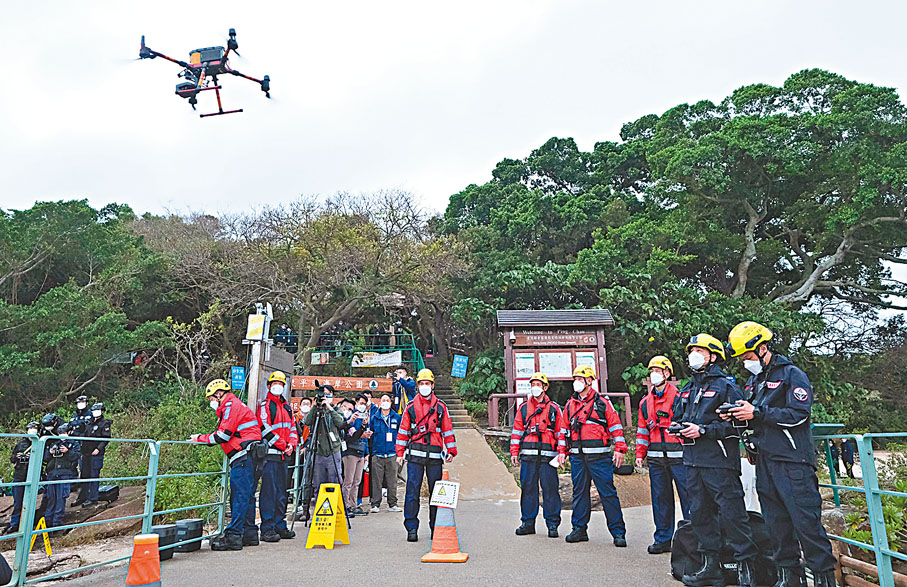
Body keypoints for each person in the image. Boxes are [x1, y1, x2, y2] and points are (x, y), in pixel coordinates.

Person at [725, 321, 837, 587]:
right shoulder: (754, 382)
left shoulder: (791, 375)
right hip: (765, 461)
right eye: (741, 357)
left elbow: (799, 415)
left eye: (747, 355)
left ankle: (824, 579)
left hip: (793, 462)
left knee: (806, 524)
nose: (744, 361)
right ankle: (789, 578)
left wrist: (757, 412)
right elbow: (755, 418)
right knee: (776, 525)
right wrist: (738, 415)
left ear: (762, 348)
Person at [676, 334, 757, 587]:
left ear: (713, 356)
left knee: (733, 516)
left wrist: (704, 430)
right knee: (700, 516)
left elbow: (738, 426)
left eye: (700, 351)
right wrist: (679, 428)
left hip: (720, 463)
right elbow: (679, 416)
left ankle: (747, 570)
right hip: (692, 462)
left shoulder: (727, 386)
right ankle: (710, 568)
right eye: (692, 351)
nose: (694, 355)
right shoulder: (688, 388)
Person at [190, 379, 262, 551]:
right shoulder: (235, 405)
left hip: (243, 457)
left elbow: (223, 436)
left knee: (239, 496)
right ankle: (249, 533)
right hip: (249, 456)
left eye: (211, 398)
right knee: (247, 496)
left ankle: (234, 536)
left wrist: (199, 438)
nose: (211, 402)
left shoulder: (231, 406)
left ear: (219, 394)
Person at [563, 365, 627, 546]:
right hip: (578, 457)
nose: (576, 382)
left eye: (580, 379)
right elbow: (563, 430)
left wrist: (620, 449)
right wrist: (562, 452)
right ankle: (579, 529)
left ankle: (618, 532)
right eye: (575, 379)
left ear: (589, 381)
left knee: (607, 493)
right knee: (579, 493)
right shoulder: (570, 405)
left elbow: (615, 426)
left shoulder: (602, 403)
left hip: (599, 458)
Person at [635, 356, 690, 554]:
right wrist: (640, 454)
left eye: (658, 371)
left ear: (667, 373)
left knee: (689, 499)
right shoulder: (645, 403)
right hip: (657, 460)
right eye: (652, 371)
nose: (654, 375)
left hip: (680, 458)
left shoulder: (680, 398)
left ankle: (692, 541)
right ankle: (663, 539)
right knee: (660, 499)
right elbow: (642, 431)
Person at [396, 368, 457, 542]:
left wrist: (451, 450)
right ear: (417, 385)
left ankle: (435, 527)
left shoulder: (441, 407)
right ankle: (411, 528)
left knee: (436, 494)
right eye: (422, 383)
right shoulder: (410, 407)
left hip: (435, 456)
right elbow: (403, 432)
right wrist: (400, 453)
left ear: (432, 385)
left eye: (427, 383)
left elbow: (447, 430)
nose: (425, 386)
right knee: (412, 492)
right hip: (415, 456)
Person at [511, 372, 567, 538]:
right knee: (528, 489)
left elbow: (560, 432)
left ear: (545, 387)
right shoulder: (523, 408)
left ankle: (552, 524)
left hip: (548, 457)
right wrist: (514, 451)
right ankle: (528, 523)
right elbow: (517, 431)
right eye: (533, 384)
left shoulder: (554, 409)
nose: (535, 387)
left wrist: (562, 452)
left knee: (550, 490)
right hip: (528, 456)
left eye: (538, 384)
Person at [248, 371, 298, 543]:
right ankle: (267, 528)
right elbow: (264, 428)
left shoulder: (287, 407)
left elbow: (293, 427)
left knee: (282, 493)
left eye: (281, 384)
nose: (278, 386)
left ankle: (280, 525)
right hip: (270, 455)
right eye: (275, 383)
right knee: (269, 493)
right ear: (268, 386)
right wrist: (283, 445)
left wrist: (292, 444)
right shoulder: (265, 405)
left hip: (284, 456)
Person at [302, 384, 346, 517]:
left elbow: (341, 423)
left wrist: (329, 407)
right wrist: (315, 406)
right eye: (323, 394)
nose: (324, 396)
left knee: (335, 483)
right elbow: (307, 421)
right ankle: (319, 514)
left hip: (333, 450)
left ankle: (336, 514)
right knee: (318, 484)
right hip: (318, 451)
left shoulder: (335, 409)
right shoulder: (316, 411)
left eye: (327, 394)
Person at [43, 421, 80, 533]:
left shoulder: (74, 443)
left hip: (65, 473)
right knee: (51, 498)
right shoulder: (54, 442)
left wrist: (67, 451)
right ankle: (47, 523)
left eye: (64, 432)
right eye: (60, 433)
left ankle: (56, 523)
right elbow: (45, 458)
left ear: (69, 432)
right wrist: (50, 452)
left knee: (61, 499)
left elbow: (76, 457)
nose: (62, 435)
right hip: (52, 474)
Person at [369, 393, 402, 512]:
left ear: (391, 403)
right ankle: (375, 504)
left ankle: (392, 504)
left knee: (392, 481)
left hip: (392, 453)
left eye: (387, 400)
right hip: (377, 454)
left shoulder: (397, 417)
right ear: (380, 402)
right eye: (383, 400)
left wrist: (400, 452)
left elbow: (401, 435)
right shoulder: (374, 417)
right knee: (376, 481)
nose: (385, 402)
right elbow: (370, 434)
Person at [75, 403, 111, 507]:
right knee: (84, 475)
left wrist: (98, 449)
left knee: (94, 475)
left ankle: (93, 498)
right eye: (94, 410)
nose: (96, 412)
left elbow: (106, 439)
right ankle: (83, 497)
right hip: (86, 453)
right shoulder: (89, 422)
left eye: (98, 410)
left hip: (96, 453)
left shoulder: (104, 423)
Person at [340, 396, 371, 517]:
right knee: (348, 481)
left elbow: (361, 435)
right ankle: (346, 505)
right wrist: (354, 422)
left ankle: (353, 505)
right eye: (361, 403)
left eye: (365, 404)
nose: (362, 406)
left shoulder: (364, 417)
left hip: (360, 452)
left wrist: (366, 453)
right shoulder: (347, 419)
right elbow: (351, 436)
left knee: (357, 481)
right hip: (350, 452)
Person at [6, 422, 38, 534]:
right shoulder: (21, 443)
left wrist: (32, 456)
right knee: (18, 502)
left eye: (34, 428)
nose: (32, 430)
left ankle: (29, 524)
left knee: (31, 502)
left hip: (32, 476)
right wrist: (17, 456)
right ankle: (15, 524)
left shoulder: (39, 443)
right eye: (30, 428)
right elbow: (12, 459)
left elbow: (44, 458)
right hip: (19, 475)